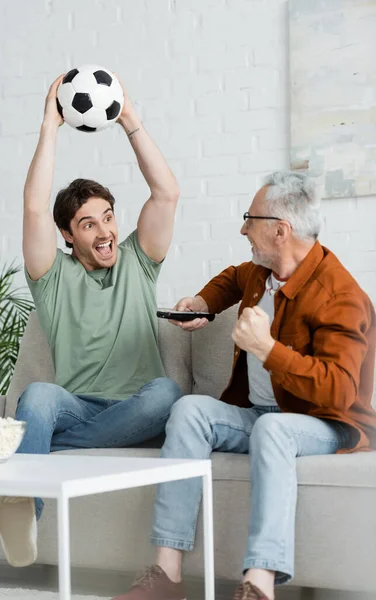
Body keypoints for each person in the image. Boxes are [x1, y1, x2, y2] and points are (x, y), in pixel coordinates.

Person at [114, 171, 376, 600]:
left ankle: (259, 585)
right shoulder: (262, 271)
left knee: (274, 429)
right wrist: (203, 302)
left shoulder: (341, 295)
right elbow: (232, 278)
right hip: (260, 414)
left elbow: (340, 391)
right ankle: (167, 575)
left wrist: (268, 349)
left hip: (327, 422)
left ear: (280, 230)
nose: (242, 229)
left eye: (249, 219)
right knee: (189, 409)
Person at [0, 74, 183, 568]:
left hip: (138, 411)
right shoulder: (52, 280)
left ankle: (40, 442)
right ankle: (24, 512)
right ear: (67, 236)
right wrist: (49, 127)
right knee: (37, 396)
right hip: (79, 406)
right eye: (88, 223)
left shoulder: (139, 260)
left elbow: (166, 194)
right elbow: (33, 207)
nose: (104, 232)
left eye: (107, 217)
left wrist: (130, 121)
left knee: (166, 393)